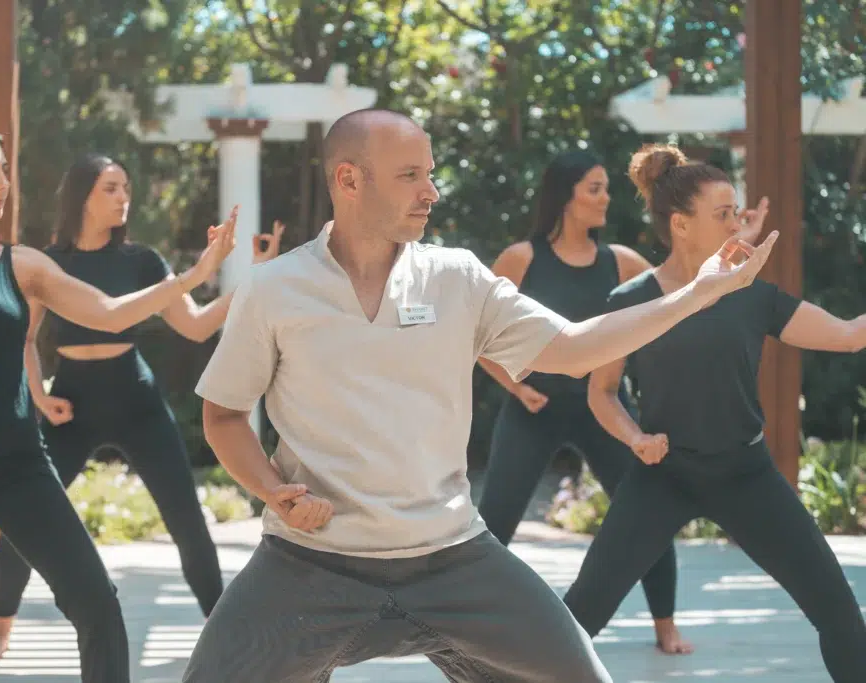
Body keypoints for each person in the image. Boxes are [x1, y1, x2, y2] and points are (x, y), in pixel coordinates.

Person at [179, 108, 778, 682]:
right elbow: (225, 414)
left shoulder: (457, 277)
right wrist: (274, 491)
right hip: (308, 564)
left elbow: (572, 348)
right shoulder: (274, 289)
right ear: (348, 179)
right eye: (410, 175)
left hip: (454, 558)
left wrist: (699, 293)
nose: (431, 191)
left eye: (430, 172)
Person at [0, 120, 234, 682]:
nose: (2, 182)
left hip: (16, 466)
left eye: (4, 170)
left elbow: (107, 312)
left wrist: (194, 276)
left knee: (98, 606)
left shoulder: (21, 265)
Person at [561, 143, 866, 683]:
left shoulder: (753, 296)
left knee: (840, 613)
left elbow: (846, 336)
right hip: (662, 477)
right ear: (681, 224)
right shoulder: (630, 299)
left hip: (745, 475)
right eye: (723, 215)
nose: (736, 224)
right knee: (575, 618)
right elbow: (602, 394)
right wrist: (635, 439)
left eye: (735, 212)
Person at [0, 153, 283, 662]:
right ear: (83, 197)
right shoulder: (50, 263)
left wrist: (255, 279)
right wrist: (40, 394)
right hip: (70, 405)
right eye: (111, 189)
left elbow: (199, 325)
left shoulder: (142, 260)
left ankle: (228, 637)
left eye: (126, 189)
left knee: (187, 521)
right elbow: (24, 338)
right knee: (22, 514)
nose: (124, 199)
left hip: (136, 400)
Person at [475, 150, 695, 654]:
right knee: (493, 523)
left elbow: (683, 288)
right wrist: (515, 386)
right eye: (594, 188)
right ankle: (476, 625)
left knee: (649, 508)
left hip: (605, 408)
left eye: (606, 187)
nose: (605, 198)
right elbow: (476, 332)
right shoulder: (520, 258)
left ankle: (666, 625)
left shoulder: (622, 262)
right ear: (566, 196)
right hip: (534, 409)